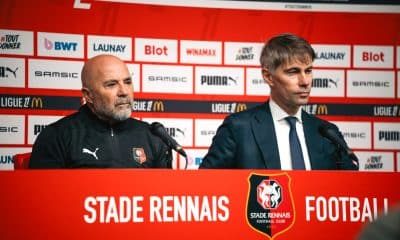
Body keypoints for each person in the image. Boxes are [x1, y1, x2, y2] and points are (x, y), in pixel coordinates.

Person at [199, 33, 358, 170]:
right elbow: (208, 187)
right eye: (293, 72)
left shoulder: (328, 133)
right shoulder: (238, 129)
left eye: (308, 71)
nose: (305, 81)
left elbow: (351, 191)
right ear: (269, 77)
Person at [29, 54, 172, 168]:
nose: (124, 92)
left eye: (128, 82)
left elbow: (163, 197)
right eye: (111, 84)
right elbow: (44, 197)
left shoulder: (152, 136)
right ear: (88, 95)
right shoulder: (57, 136)